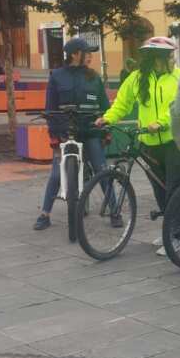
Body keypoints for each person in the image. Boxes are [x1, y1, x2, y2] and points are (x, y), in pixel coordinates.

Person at [96, 37, 180, 253]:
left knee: (176, 188)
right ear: (156, 59)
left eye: (173, 56)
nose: (173, 60)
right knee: (160, 189)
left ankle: (176, 237)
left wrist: (162, 122)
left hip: (175, 141)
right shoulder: (137, 78)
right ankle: (169, 230)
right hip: (148, 142)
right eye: (169, 56)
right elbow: (122, 102)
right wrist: (108, 118)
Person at [34, 37, 110, 231]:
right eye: (87, 53)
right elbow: (50, 108)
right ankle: (45, 214)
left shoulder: (94, 76)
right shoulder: (57, 76)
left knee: (102, 170)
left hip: (91, 131)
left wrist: (106, 130)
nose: (91, 57)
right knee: (56, 175)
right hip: (66, 134)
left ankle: (114, 210)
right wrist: (54, 135)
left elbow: (104, 107)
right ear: (75, 54)